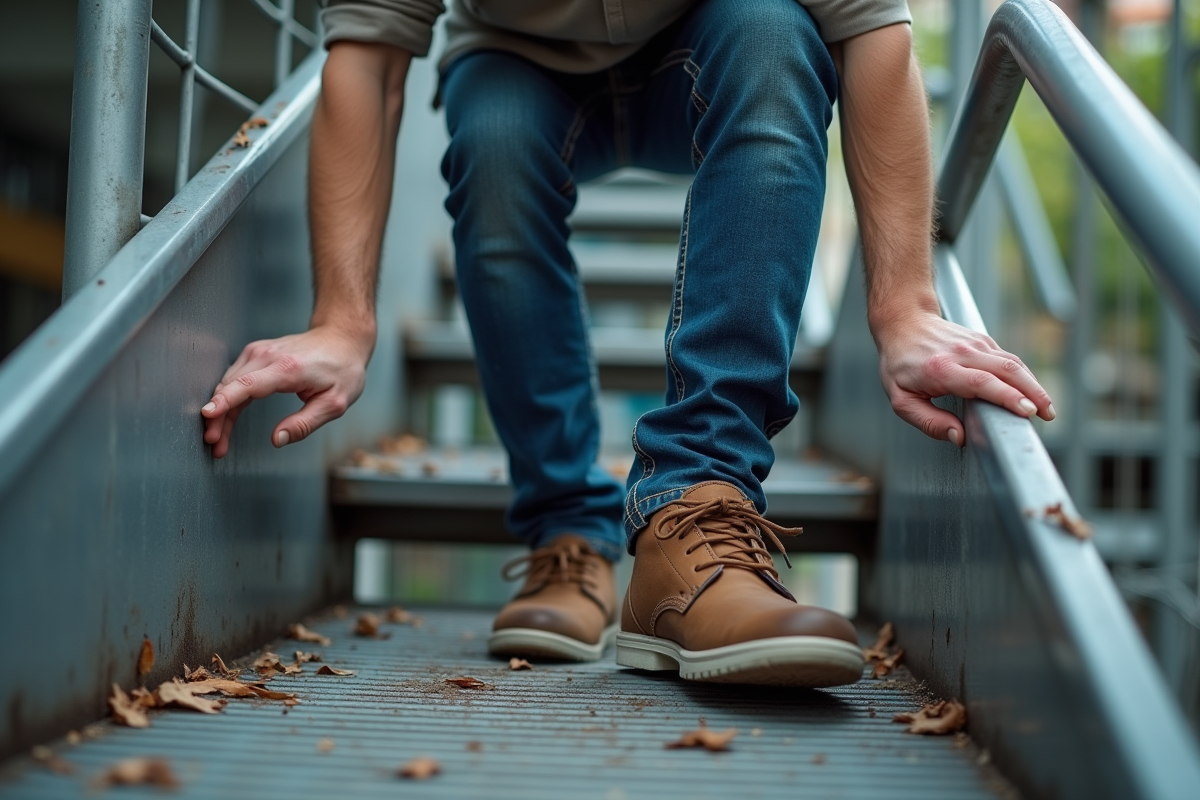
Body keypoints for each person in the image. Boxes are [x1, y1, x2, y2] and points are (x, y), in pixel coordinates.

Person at [201, 0, 1055, 687]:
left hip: (714, 37)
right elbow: (370, 60)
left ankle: (696, 509)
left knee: (774, 33)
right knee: (492, 142)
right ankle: (568, 535)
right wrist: (343, 320)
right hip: (516, 59)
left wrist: (902, 305)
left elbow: (872, 29)